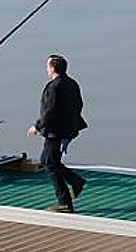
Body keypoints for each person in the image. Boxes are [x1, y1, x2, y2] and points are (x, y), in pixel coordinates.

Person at [27, 54, 87, 213]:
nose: (46, 68)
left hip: (56, 131)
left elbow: (50, 111)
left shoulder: (54, 87)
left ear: (53, 68)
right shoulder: (72, 83)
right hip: (68, 128)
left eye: (48, 66)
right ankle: (75, 180)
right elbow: (79, 104)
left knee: (50, 163)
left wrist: (37, 126)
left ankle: (65, 202)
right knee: (47, 160)